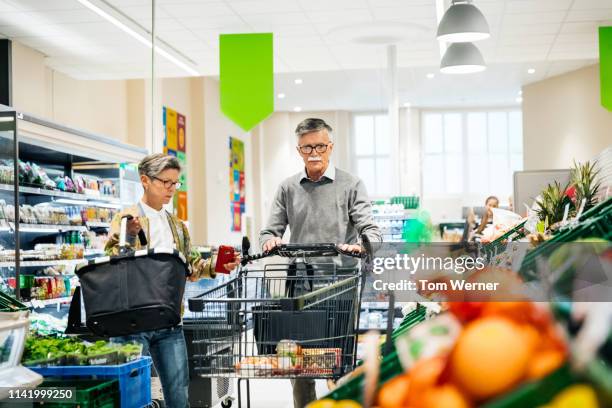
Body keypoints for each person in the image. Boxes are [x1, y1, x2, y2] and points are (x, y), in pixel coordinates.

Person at [259, 118, 382, 408]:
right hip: (301, 283)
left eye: (320, 146)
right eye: (306, 148)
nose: (314, 153)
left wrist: (364, 245)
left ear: (331, 147)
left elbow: (370, 229)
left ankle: (344, 402)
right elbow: (269, 230)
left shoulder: (351, 184)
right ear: (298, 149)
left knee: (339, 359)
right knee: (299, 364)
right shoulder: (288, 187)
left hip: (341, 283)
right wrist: (269, 240)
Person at [104, 153, 239, 408]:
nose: (172, 189)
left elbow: (192, 266)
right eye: (165, 182)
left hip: (170, 321)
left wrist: (219, 265)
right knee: (133, 397)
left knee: (179, 395)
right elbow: (113, 261)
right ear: (145, 180)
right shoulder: (127, 219)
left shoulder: (176, 225)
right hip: (132, 322)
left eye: (175, 183)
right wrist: (129, 237)